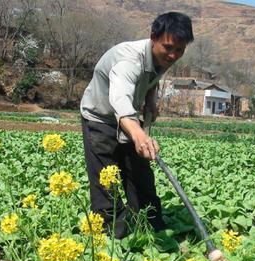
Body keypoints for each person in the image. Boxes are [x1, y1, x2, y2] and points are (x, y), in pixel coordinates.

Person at [80, 12, 194, 239]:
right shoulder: (128, 60)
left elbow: (152, 77)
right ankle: (113, 241)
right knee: (106, 184)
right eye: (168, 47)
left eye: (179, 50)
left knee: (140, 176)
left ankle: (151, 230)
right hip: (100, 119)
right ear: (153, 38)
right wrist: (139, 135)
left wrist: (150, 100)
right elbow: (120, 98)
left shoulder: (163, 57)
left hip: (130, 118)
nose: (173, 55)